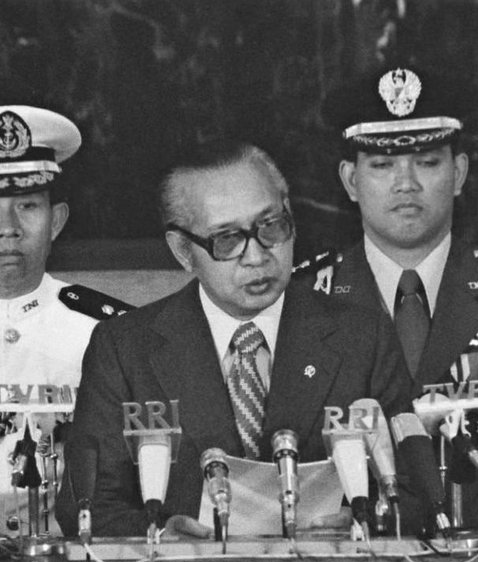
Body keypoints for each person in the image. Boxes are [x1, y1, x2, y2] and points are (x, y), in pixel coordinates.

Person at [56, 140, 412, 539]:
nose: (257, 256)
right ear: (183, 251)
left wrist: (368, 521)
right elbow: (85, 506)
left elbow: (417, 489)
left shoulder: (364, 337)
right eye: (226, 239)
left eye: (271, 227)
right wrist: (160, 534)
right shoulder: (124, 349)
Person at [296, 65, 478, 528]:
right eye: (381, 165)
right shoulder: (301, 300)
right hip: (349, 560)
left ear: (458, 173)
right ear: (351, 181)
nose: (406, 183)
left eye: (427, 162)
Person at [0, 104, 131, 537]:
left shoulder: (109, 333)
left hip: (71, 561)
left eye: (28, 206)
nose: (8, 228)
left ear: (56, 221)